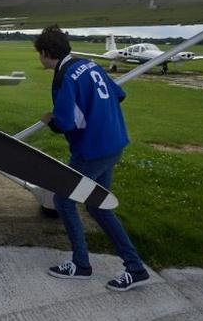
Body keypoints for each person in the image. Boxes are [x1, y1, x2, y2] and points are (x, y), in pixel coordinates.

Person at [34, 25, 150, 292]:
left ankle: (81, 265)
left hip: (93, 150)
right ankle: (135, 267)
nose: (39, 59)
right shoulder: (89, 64)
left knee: (63, 200)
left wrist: (50, 119)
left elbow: (65, 122)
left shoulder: (65, 76)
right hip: (114, 143)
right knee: (97, 205)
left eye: (39, 54)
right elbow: (119, 94)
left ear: (45, 52)